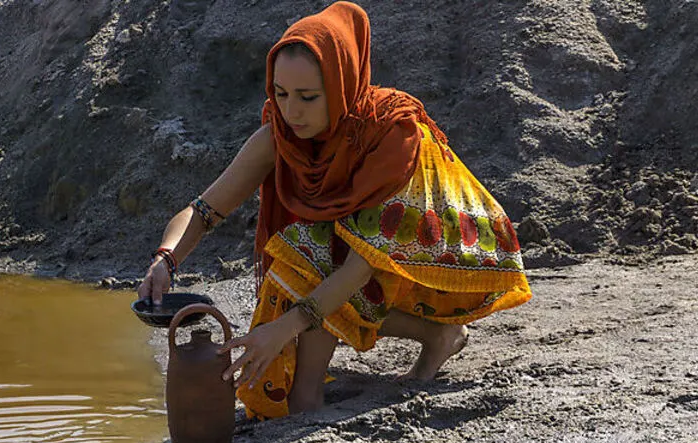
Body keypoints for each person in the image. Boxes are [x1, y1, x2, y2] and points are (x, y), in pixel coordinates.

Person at [138, 2, 532, 420]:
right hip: (365, 251)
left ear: (341, 84)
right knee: (313, 258)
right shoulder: (281, 137)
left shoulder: (391, 134)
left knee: (309, 257)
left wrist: (282, 328)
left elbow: (358, 268)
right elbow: (203, 210)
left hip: (448, 251)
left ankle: (307, 400)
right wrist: (165, 260)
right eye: (281, 94)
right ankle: (439, 337)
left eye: (308, 97)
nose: (292, 112)